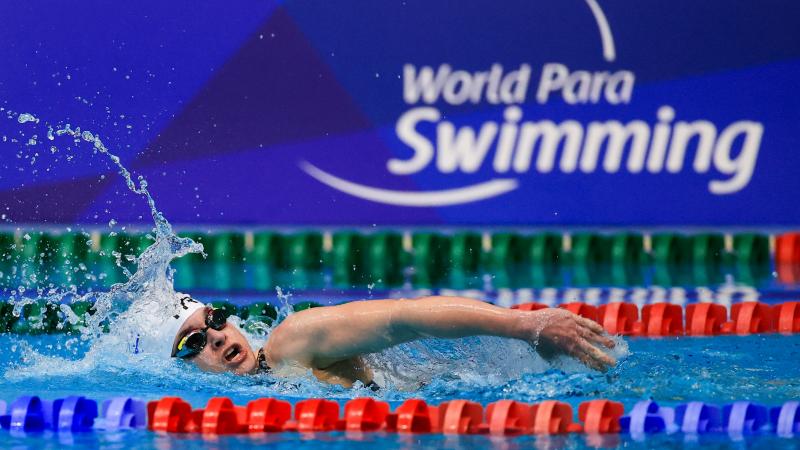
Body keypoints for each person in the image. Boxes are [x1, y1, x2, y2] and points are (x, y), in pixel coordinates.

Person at [165, 294, 616, 389]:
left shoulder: (291, 341)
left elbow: (408, 315)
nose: (218, 338)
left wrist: (527, 326)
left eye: (216, 319)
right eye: (193, 343)